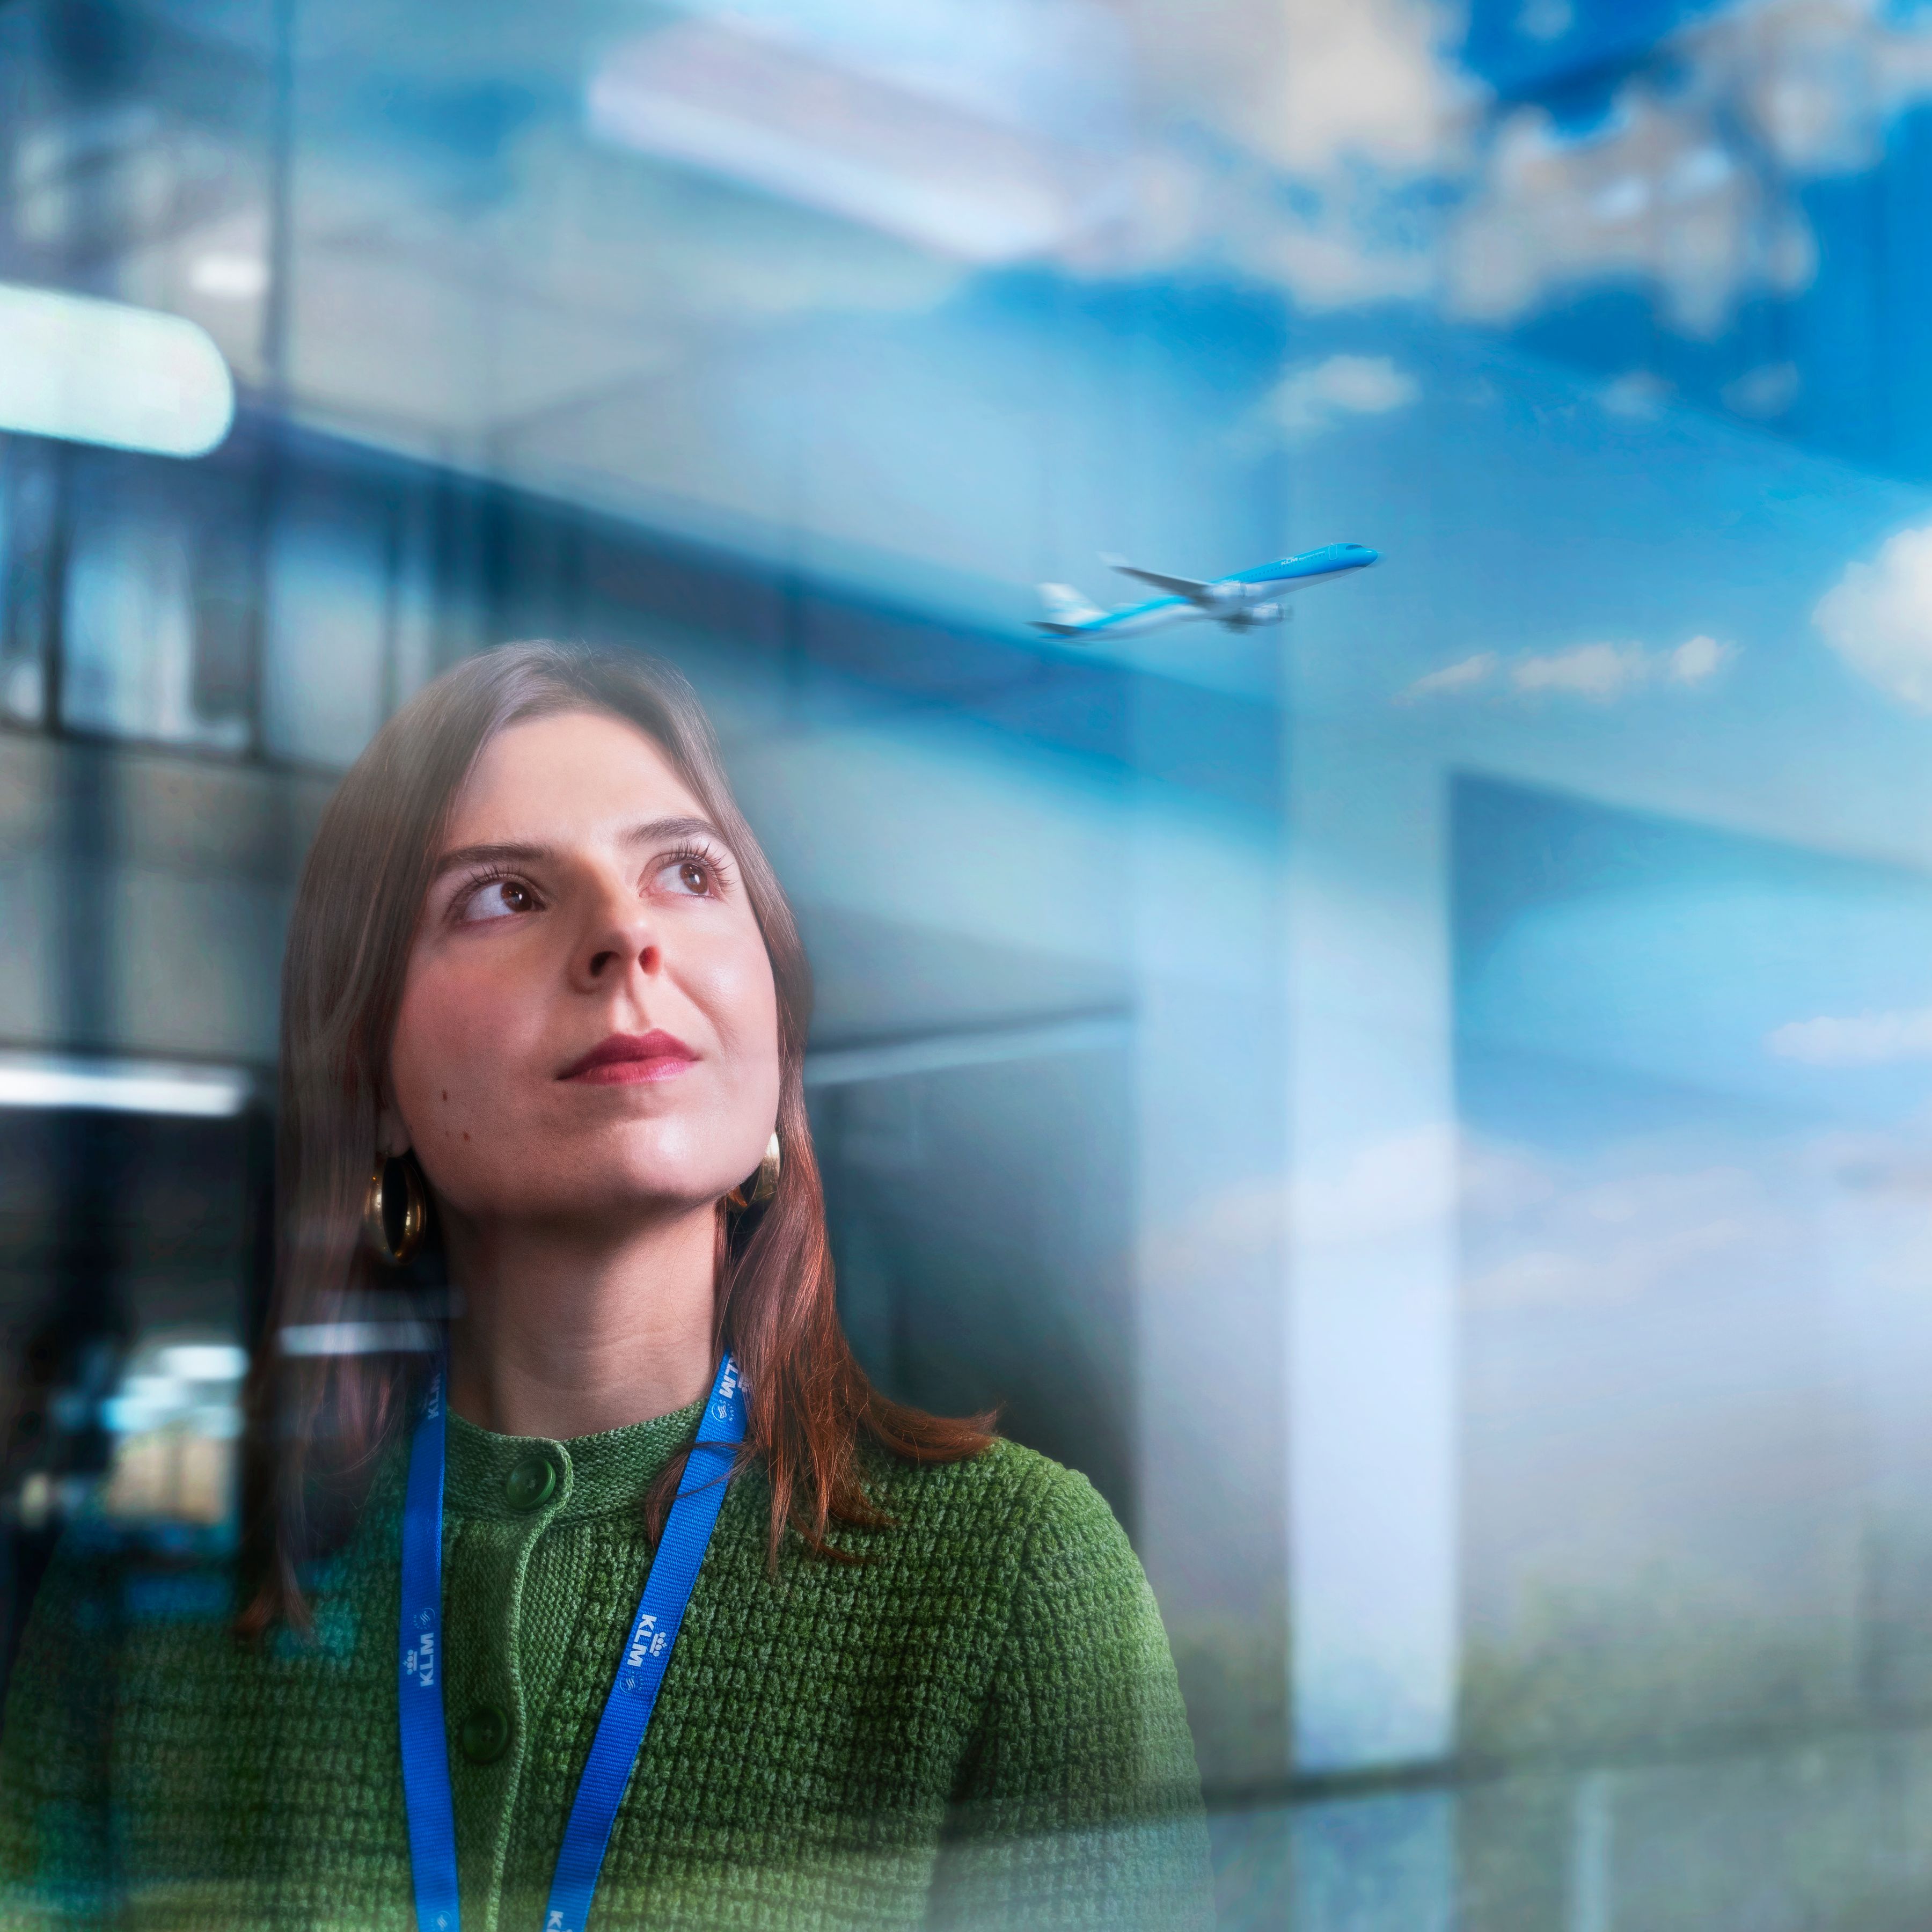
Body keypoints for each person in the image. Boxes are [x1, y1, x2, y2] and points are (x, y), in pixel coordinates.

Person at [0, 642, 1212, 1930]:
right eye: (505, 896)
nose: (626, 937)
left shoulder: (1015, 1578)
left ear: (774, 1026)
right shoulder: (150, 1588)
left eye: (688, 874)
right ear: (376, 1078)